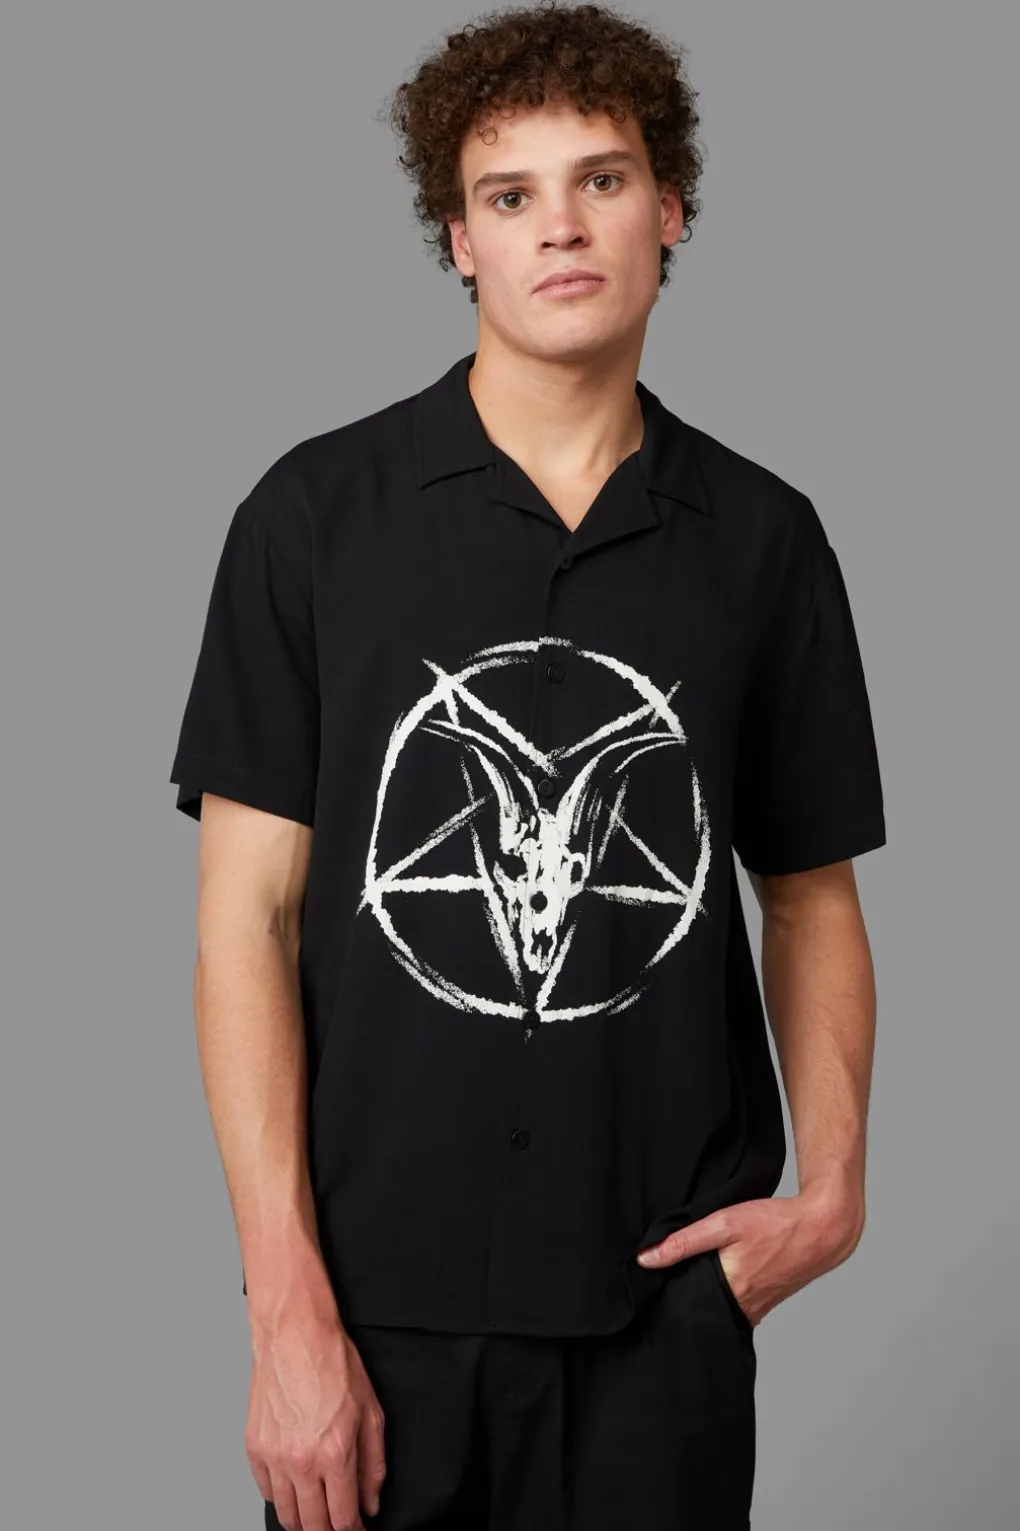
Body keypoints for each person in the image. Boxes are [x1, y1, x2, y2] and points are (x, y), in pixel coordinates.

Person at [169, 3, 887, 1527]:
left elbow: (810, 893)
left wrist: (831, 1190)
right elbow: (244, 920)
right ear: (460, 241)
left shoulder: (766, 541)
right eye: (510, 195)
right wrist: (287, 1315)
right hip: (374, 1321)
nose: (560, 227)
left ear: (670, 208)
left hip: (663, 1308)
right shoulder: (311, 519)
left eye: (601, 180)